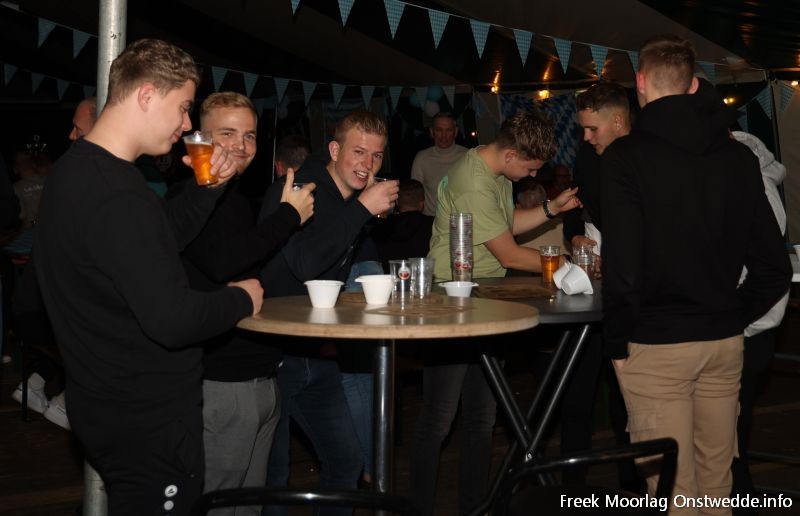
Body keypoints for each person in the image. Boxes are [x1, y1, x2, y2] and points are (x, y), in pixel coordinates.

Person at [33, 39, 263, 516]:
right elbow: (173, 320)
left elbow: (153, 240)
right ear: (145, 95)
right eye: (182, 107)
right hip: (146, 420)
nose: (187, 124)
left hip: (105, 404)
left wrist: (207, 189)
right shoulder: (116, 194)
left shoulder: (80, 171)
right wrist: (240, 299)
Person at [601, 34, 791, 515]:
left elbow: (623, 269)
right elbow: (774, 267)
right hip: (723, 341)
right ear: (692, 86)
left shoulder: (624, 157)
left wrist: (616, 344)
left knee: (674, 494)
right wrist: (730, 315)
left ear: (639, 83)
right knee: (716, 487)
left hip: (657, 343)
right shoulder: (739, 157)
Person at [415, 110, 581, 516]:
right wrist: (569, 265)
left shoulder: (493, 171)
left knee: (481, 416)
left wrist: (551, 208)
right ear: (510, 155)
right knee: (439, 419)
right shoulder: (474, 181)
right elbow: (508, 254)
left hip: (484, 294)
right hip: (452, 296)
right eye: (530, 168)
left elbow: (504, 224)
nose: (533, 176)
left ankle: (475, 509)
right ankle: (417, 508)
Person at [175, 92, 314, 516]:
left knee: (249, 506)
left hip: (259, 376)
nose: (241, 145)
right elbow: (223, 263)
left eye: (249, 135)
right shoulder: (190, 197)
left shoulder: (234, 200)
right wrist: (289, 216)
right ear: (200, 139)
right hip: (222, 383)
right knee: (217, 503)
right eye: (227, 133)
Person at [259, 110, 398, 516]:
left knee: (345, 462)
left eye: (376, 156)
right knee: (273, 477)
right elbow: (306, 264)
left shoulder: (344, 197)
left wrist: (362, 211)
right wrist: (363, 210)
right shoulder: (299, 188)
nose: (367, 164)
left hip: (312, 351)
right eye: (358, 152)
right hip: (269, 355)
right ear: (335, 150)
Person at [730, 130, 789, 515]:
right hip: (747, 326)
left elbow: (768, 272)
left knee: (730, 441)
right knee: (730, 440)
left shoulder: (753, 183)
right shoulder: (746, 175)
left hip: (750, 329)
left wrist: (732, 320)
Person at [411, 112, 467, 216]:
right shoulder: (422, 158)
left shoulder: (467, 156)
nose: (444, 136)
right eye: (439, 130)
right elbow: (414, 195)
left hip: (461, 218)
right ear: (432, 132)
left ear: (455, 132)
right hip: (432, 220)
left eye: (448, 130)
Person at [372, 178, 434, 269]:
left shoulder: (379, 228)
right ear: (422, 203)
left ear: (397, 202)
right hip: (422, 276)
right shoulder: (434, 226)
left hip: (388, 277)